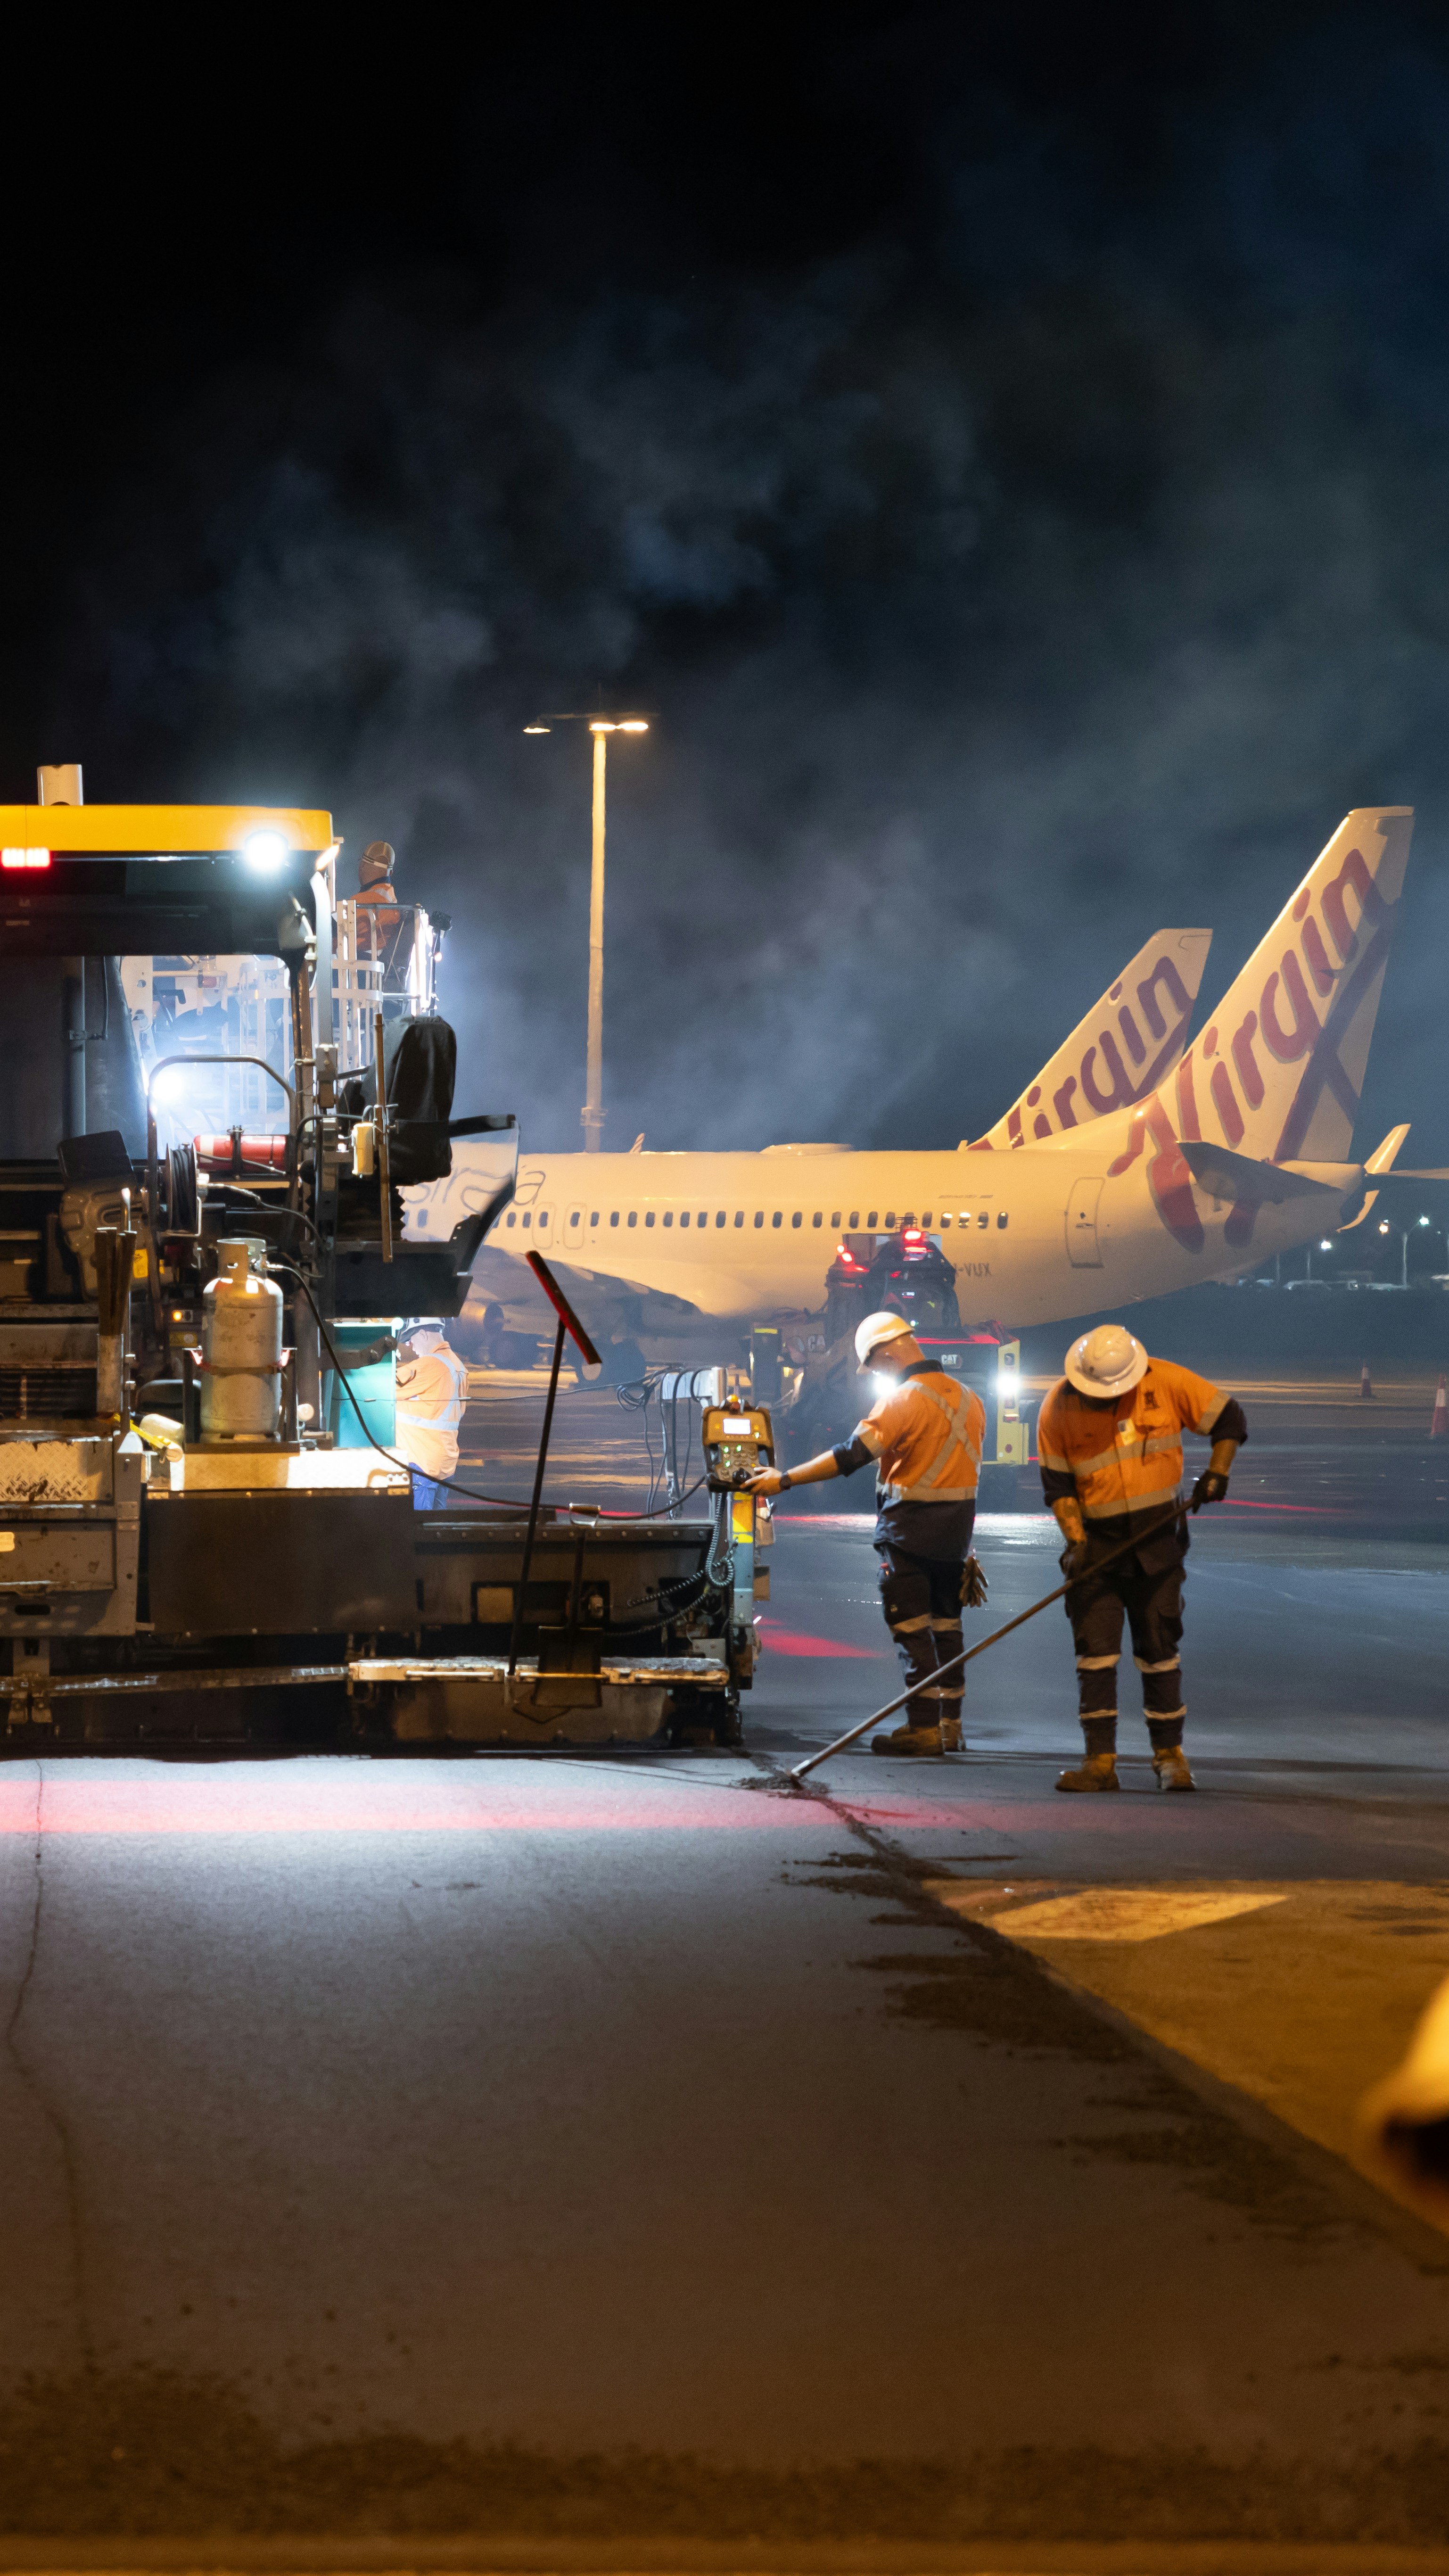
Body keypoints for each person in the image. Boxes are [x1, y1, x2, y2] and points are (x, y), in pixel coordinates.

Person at [745, 1310, 986, 1756]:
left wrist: (784, 1479)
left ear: (890, 1350)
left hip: (910, 1532)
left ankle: (923, 1727)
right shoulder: (970, 1397)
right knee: (947, 1627)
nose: (874, 1372)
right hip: (957, 1536)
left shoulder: (903, 1400)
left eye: (874, 1363)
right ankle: (951, 1725)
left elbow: (849, 1456)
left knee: (911, 1628)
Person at [1038, 1322, 1247, 1794]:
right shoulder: (1056, 1405)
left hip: (1157, 1545)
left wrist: (1217, 1472)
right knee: (1094, 1657)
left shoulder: (1167, 1381)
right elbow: (1058, 1487)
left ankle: (1169, 1758)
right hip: (1097, 1546)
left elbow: (1229, 1419)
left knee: (1158, 1653)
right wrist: (1076, 1545)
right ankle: (1099, 1762)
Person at [392, 1319, 469, 1509]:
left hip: (422, 1461)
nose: (410, 1346)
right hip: (444, 1460)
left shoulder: (429, 1365)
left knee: (417, 1528)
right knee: (435, 1528)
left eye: (411, 1339)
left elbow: (385, 1387)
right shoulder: (458, 1366)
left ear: (424, 1334)